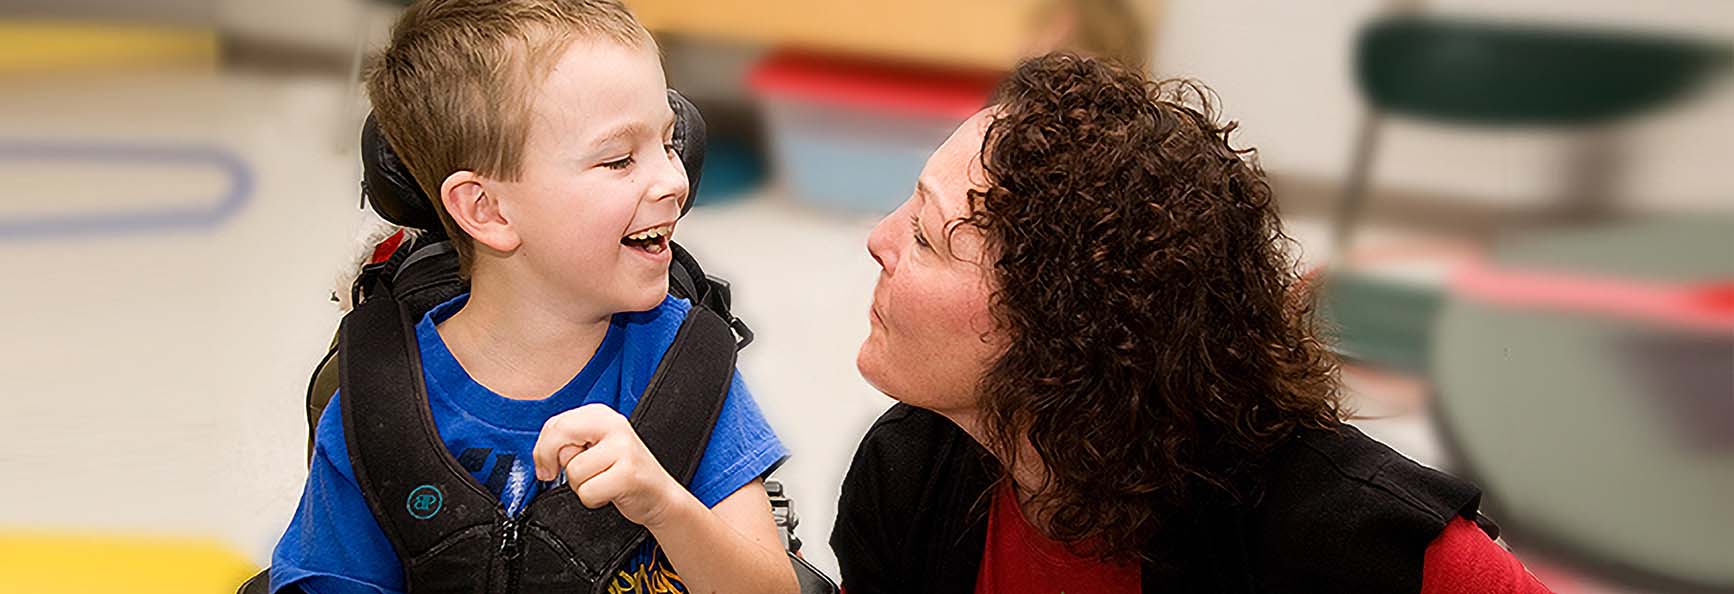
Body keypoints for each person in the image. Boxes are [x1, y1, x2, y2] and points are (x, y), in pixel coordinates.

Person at [832, 53, 1553, 594]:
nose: (879, 239)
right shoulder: (907, 475)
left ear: (1059, 331)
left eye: (926, 235)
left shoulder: (1353, 539)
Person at [269, 2, 796, 593]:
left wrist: (666, 507)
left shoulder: (684, 366)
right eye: (619, 158)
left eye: (669, 144)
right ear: (486, 210)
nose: (675, 181)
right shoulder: (378, 401)